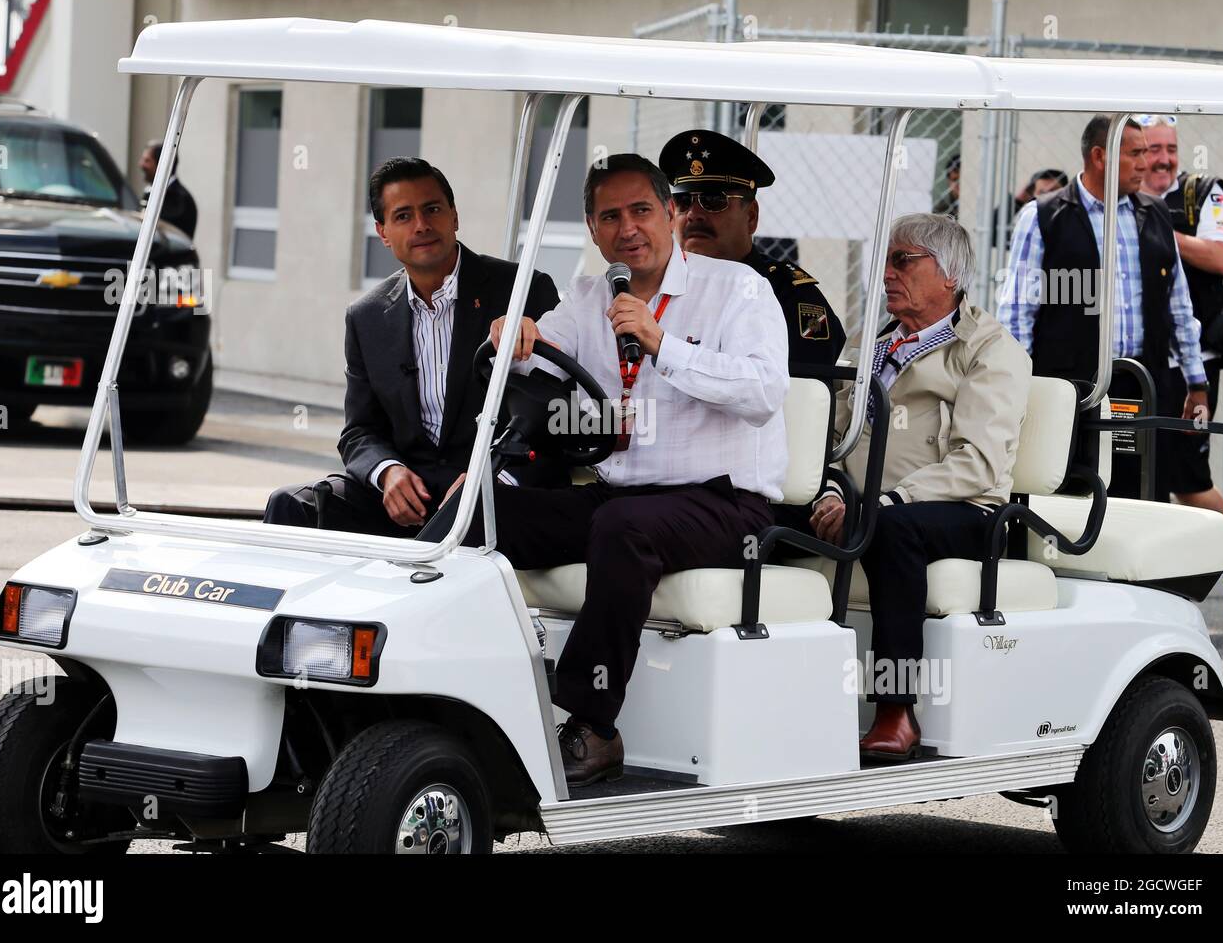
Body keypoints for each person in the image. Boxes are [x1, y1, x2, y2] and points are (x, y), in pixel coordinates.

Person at [478, 154, 789, 785]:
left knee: (623, 529)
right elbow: (540, 362)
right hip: (621, 499)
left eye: (642, 211)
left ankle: (593, 726)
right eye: (610, 216)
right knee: (484, 510)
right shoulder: (591, 295)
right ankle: (461, 692)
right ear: (592, 230)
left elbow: (762, 392)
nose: (629, 228)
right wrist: (514, 339)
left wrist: (661, 344)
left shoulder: (736, 289)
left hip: (725, 505)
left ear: (670, 214)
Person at [812, 213, 1031, 761]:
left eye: (903, 261)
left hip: (964, 513)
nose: (887, 273)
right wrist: (832, 492)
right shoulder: (871, 342)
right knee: (756, 511)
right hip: (862, 504)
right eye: (887, 260)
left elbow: (977, 464)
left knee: (890, 529)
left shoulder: (989, 349)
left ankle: (895, 709)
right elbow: (834, 436)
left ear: (949, 275)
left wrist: (887, 500)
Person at [265, 157, 561, 535]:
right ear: (383, 232)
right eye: (403, 216)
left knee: (465, 519)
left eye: (432, 209)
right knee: (290, 506)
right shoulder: (366, 316)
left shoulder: (522, 291)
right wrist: (386, 472)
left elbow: (553, 413)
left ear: (454, 217)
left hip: (496, 489)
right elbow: (359, 431)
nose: (421, 225)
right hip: (407, 495)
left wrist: (492, 477)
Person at [997, 115, 1209, 500]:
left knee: (1141, 494)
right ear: (1100, 155)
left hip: (1143, 384)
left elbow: (1179, 303)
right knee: (1067, 492)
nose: (1146, 163)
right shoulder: (1044, 216)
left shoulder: (1155, 213)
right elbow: (1017, 312)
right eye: (1136, 153)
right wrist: (1020, 389)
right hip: (1070, 389)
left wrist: (1196, 383)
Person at [1138, 113, 1223, 628]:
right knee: (1140, 475)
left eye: (1170, 147)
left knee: (1188, 479)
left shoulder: (1201, 193)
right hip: (1137, 365)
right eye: (1151, 148)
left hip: (1193, 366)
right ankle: (1157, 587)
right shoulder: (1122, 200)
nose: (1161, 158)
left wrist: (1161, 228)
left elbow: (1222, 257)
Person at [657, 129, 846, 375]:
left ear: (751, 217)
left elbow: (800, 396)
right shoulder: (655, 285)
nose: (694, 214)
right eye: (683, 202)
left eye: (713, 201)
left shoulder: (790, 295)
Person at [139, 139, 198, 238]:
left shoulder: (179, 200)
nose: (141, 164)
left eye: (147, 161)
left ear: (162, 165)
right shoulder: (152, 192)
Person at [933, 153, 961, 218]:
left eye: (962, 180)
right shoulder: (942, 207)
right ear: (949, 181)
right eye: (955, 179)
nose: (959, 183)